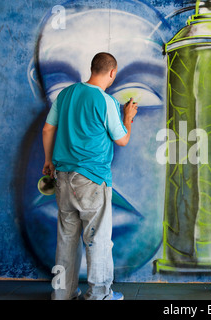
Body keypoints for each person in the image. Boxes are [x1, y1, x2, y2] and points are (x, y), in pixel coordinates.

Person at [42, 52, 138, 300]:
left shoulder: (65, 94)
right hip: (93, 179)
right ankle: (99, 295)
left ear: (92, 68)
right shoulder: (104, 101)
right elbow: (122, 139)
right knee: (98, 241)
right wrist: (127, 118)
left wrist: (48, 161)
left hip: (63, 177)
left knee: (65, 240)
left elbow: (48, 128)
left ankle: (61, 293)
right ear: (112, 73)